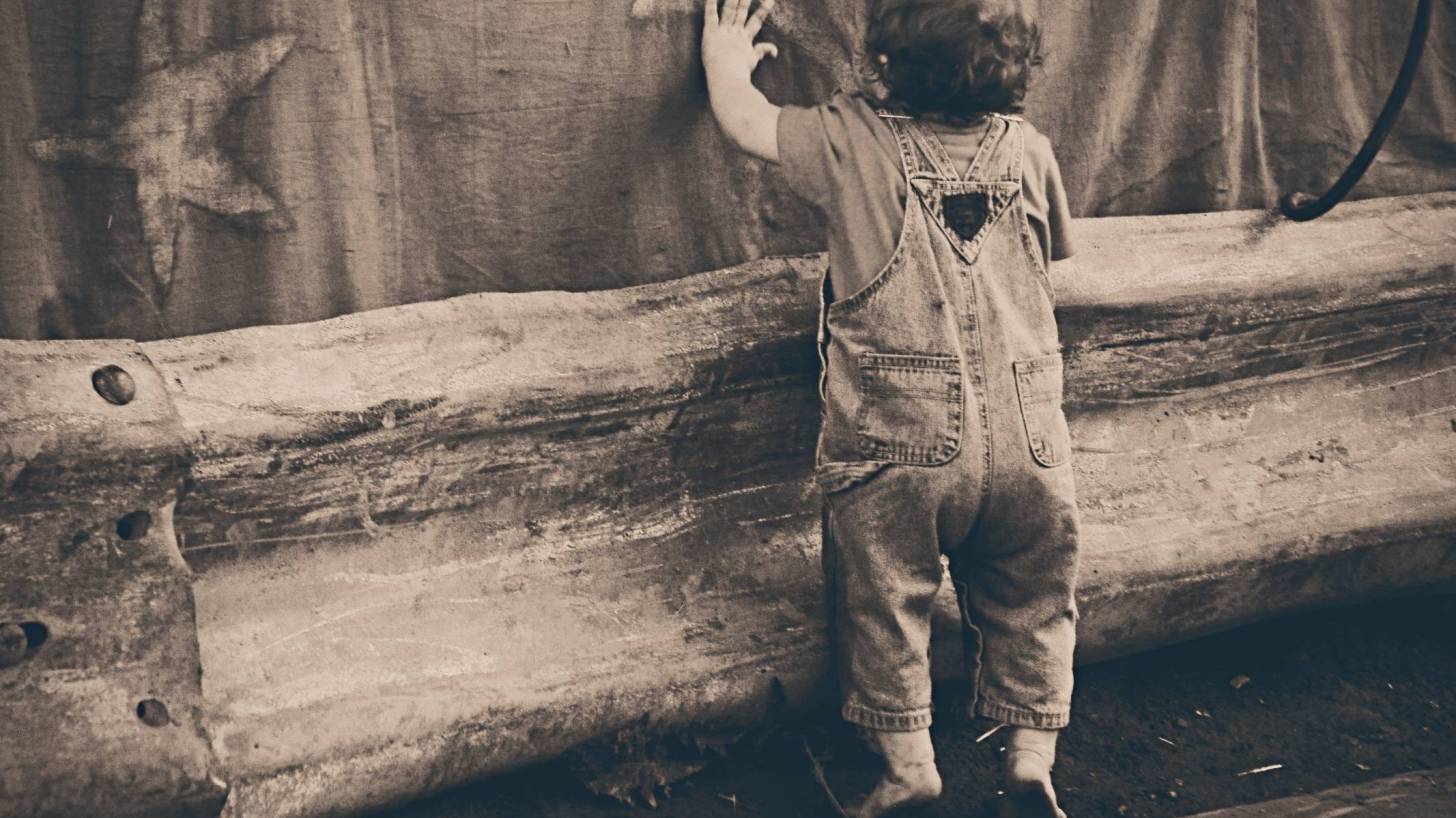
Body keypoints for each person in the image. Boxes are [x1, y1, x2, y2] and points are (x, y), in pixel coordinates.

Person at [702, 1, 1080, 816]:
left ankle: (910, 766)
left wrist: (724, 54)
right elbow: (1051, 261)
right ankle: (1030, 759)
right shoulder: (1032, 153)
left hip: (901, 438)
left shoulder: (850, 140)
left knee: (886, 597)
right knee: (1035, 596)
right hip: (1030, 437)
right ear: (1018, 67)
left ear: (880, 61)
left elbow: (745, 121)